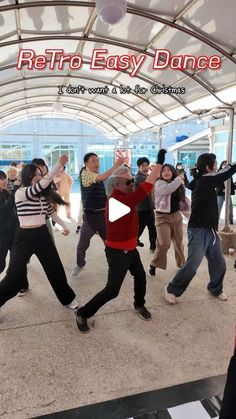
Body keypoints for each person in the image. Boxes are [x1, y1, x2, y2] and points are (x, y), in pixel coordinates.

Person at [75, 149, 166, 333]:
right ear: (117, 184)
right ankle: (83, 313)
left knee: (140, 277)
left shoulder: (124, 197)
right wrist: (159, 162)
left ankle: (139, 304)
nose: (133, 183)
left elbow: (143, 189)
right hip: (118, 253)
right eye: (129, 181)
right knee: (112, 290)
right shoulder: (118, 201)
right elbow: (147, 185)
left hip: (130, 250)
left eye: (133, 180)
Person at [0, 155, 78, 311]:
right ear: (27, 176)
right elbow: (43, 184)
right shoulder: (21, 193)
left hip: (42, 235)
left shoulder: (42, 195)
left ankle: (68, 298)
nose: (39, 177)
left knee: (55, 268)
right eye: (35, 175)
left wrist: (64, 225)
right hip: (24, 237)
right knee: (14, 275)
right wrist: (58, 164)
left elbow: (50, 212)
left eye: (40, 175)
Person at [164, 153, 236, 305]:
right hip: (198, 230)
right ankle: (172, 289)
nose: (217, 168)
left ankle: (215, 289)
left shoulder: (201, 181)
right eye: (215, 166)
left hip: (210, 230)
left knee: (219, 263)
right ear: (209, 168)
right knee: (192, 266)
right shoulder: (205, 180)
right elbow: (227, 171)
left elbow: (191, 184)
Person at [71, 153, 125, 277]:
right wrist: (116, 165)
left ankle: (115, 264)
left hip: (103, 215)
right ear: (86, 164)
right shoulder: (85, 174)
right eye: (93, 161)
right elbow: (101, 178)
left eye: (97, 161)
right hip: (90, 217)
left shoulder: (96, 175)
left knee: (109, 243)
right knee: (82, 245)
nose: (96, 163)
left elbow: (101, 192)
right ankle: (80, 264)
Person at [149, 164, 186, 276]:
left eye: (169, 170)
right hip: (162, 217)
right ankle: (153, 264)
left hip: (176, 216)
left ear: (172, 172)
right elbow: (167, 190)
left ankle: (182, 264)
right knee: (164, 243)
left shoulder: (177, 183)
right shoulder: (159, 183)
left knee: (179, 242)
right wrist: (179, 178)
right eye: (164, 171)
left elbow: (183, 199)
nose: (166, 172)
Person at [134, 157, 157, 252]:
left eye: (147, 165)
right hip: (141, 209)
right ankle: (130, 245)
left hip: (148, 207)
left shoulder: (146, 176)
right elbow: (150, 183)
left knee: (152, 228)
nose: (145, 167)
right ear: (139, 167)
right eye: (143, 166)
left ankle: (153, 246)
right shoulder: (139, 177)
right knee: (139, 230)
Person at [216, 160, 235, 224]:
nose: (225, 165)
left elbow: (231, 183)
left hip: (228, 193)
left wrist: (232, 188)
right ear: (221, 165)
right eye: (224, 164)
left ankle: (231, 219)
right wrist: (223, 189)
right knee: (219, 206)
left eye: (226, 164)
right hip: (220, 193)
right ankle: (216, 219)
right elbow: (217, 183)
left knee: (230, 207)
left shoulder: (229, 174)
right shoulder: (219, 172)